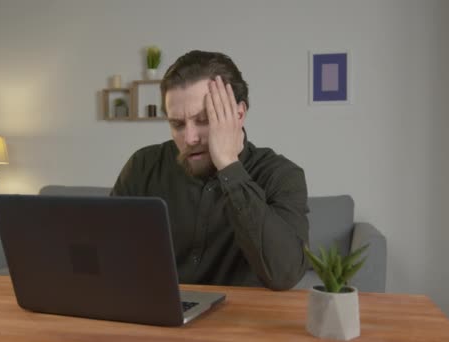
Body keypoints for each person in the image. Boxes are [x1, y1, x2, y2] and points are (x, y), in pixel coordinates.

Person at [111, 50, 309, 290]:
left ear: (238, 114)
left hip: (239, 321)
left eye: (204, 120)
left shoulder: (281, 175)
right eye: (177, 124)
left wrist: (228, 165)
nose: (190, 138)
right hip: (158, 316)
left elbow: (284, 274)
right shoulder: (143, 166)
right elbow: (107, 252)